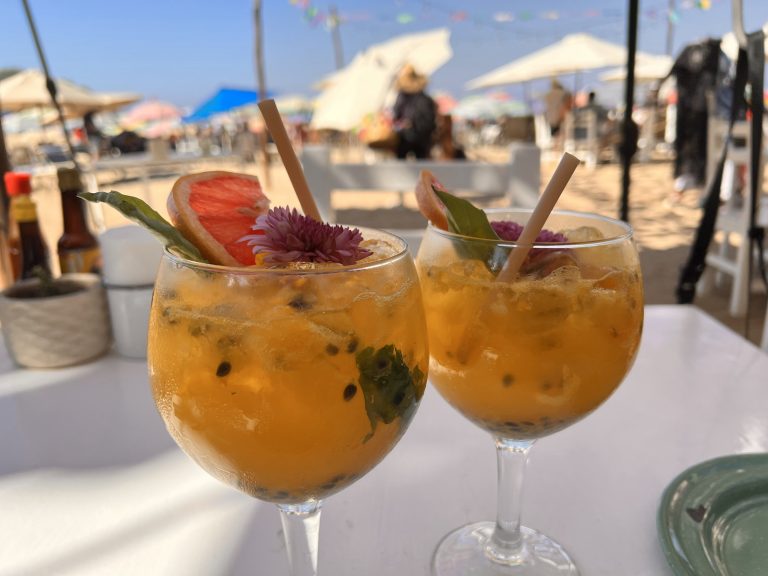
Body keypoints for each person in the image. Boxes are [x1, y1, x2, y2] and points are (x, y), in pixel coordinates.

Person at [392, 64, 437, 160]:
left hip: (407, 136)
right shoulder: (425, 98)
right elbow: (431, 120)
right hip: (423, 137)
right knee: (422, 162)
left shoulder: (403, 97)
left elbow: (396, 114)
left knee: (402, 162)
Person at [544, 79, 572, 146]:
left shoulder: (547, 95)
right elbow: (566, 106)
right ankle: (558, 149)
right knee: (560, 136)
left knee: (555, 137)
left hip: (551, 117)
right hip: (559, 116)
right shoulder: (563, 93)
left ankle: (556, 149)